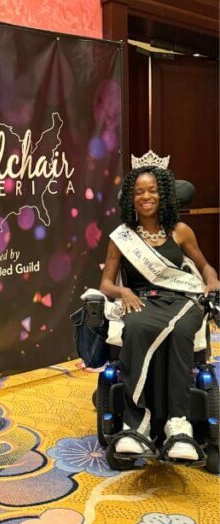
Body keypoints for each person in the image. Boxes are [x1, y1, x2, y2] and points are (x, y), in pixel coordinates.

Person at [100, 156, 220, 463]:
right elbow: (106, 284)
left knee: (181, 329)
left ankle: (178, 424)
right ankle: (134, 423)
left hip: (182, 300)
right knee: (137, 327)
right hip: (141, 299)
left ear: (163, 194)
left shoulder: (181, 230)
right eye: (139, 191)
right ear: (131, 197)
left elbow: (206, 267)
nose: (146, 196)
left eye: (152, 190)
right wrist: (123, 290)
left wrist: (211, 281)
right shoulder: (122, 237)